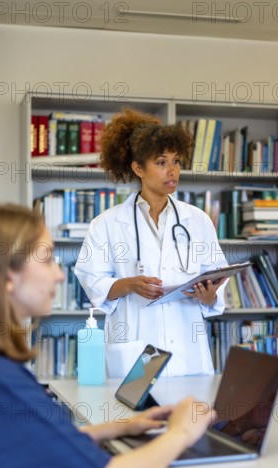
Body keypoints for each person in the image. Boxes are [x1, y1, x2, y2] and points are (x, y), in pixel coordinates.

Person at [0, 202, 278, 468]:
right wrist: (180, 434)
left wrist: (121, 428)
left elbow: (26, 446)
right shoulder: (1, 380)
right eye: (48, 258)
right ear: (9, 277)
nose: (60, 274)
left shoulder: (0, 372)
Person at [74, 109, 228, 377]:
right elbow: (91, 280)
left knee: (190, 415)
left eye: (176, 161)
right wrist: (128, 284)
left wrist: (209, 295)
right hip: (137, 344)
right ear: (137, 168)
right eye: (161, 162)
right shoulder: (107, 223)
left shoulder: (197, 220)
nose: (172, 171)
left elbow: (217, 275)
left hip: (187, 348)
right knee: (139, 413)